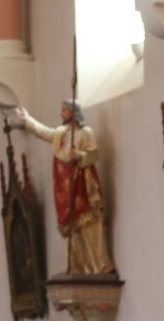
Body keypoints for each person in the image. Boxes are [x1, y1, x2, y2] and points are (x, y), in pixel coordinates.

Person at [16, 101, 116, 276]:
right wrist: (28, 120)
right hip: (67, 188)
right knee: (74, 230)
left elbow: (95, 154)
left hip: (83, 186)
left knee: (89, 225)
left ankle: (100, 264)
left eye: (64, 110)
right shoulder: (61, 134)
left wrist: (80, 155)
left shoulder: (86, 133)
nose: (61, 113)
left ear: (73, 112)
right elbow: (45, 132)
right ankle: (78, 267)